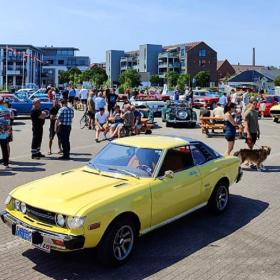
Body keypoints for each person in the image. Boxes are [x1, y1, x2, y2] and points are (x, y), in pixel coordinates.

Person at [0, 97, 12, 169]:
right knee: (4, 149)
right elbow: (9, 122)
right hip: (5, 133)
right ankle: (6, 164)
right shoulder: (7, 110)